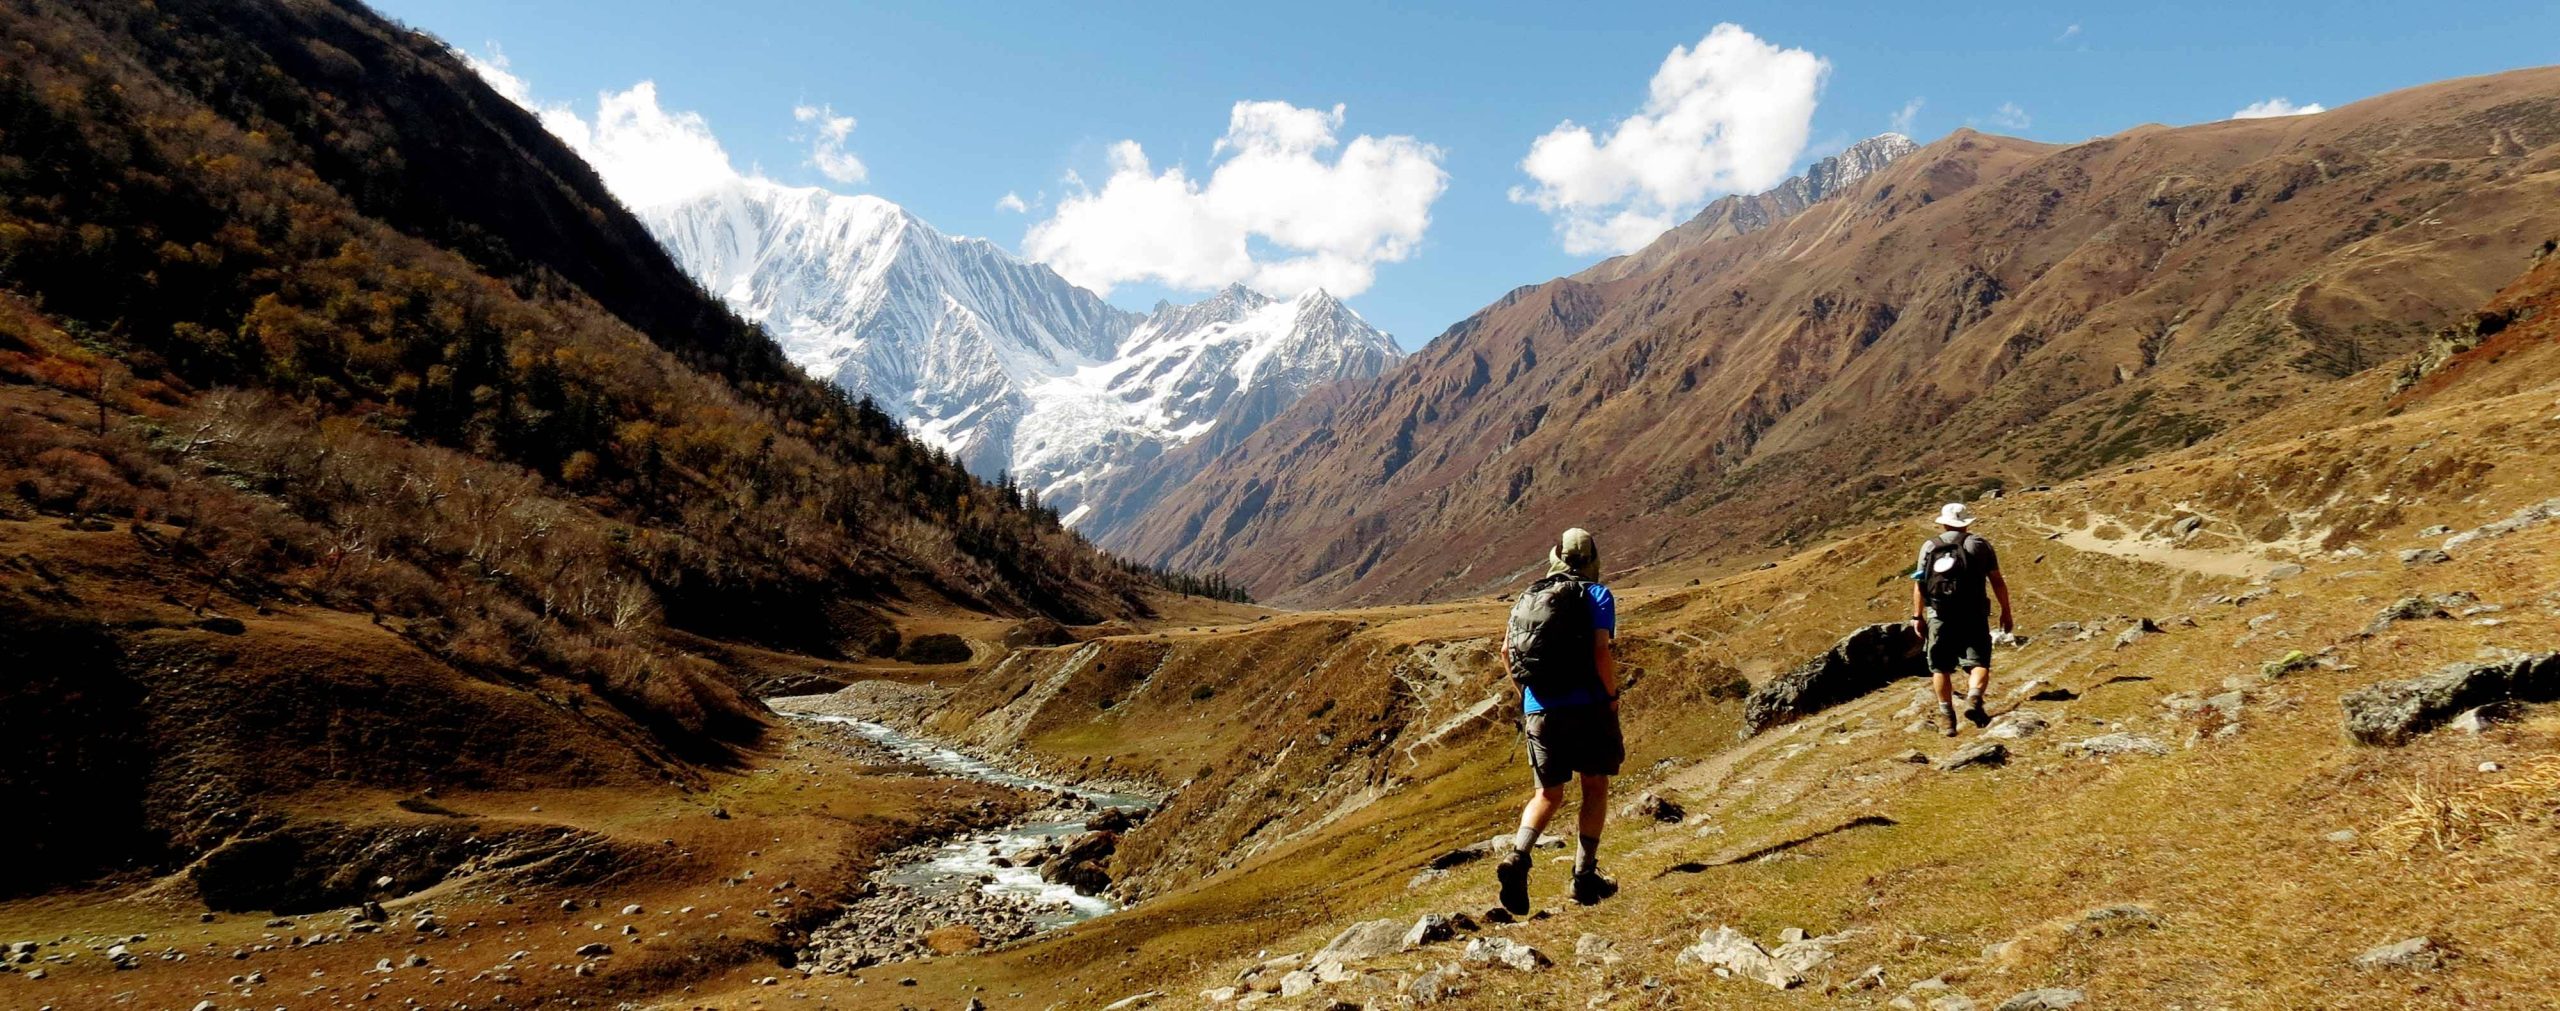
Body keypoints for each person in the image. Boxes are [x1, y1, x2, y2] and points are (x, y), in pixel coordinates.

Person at [1494, 527, 1623, 912]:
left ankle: (1518, 856)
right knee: (1594, 785)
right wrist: (1611, 696)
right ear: (1593, 560)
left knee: (1547, 794)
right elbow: (1602, 652)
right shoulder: (1596, 594)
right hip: (1588, 706)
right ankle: (1584, 879)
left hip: (1539, 709)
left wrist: (1528, 699)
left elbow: (1505, 651)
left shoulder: (1529, 595)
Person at [1910, 502, 2014, 736]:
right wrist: (2006, 611)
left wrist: (1917, 616)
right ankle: (1974, 699)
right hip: (1974, 613)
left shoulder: (1929, 546)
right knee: (1979, 663)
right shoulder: (1979, 545)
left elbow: (1920, 584)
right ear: (1967, 523)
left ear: (1944, 522)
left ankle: (1947, 719)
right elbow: (1997, 581)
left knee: (1940, 668)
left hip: (1939, 614)